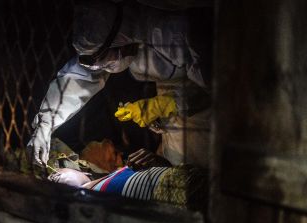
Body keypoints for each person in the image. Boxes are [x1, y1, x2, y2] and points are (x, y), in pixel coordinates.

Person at [28, 0, 212, 169]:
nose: (105, 68)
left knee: (205, 172)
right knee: (179, 172)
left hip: (208, 114)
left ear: (123, 44)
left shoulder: (177, 33)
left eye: (106, 62)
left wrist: (169, 103)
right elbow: (79, 78)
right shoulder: (108, 39)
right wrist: (45, 125)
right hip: (175, 123)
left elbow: (221, 89)